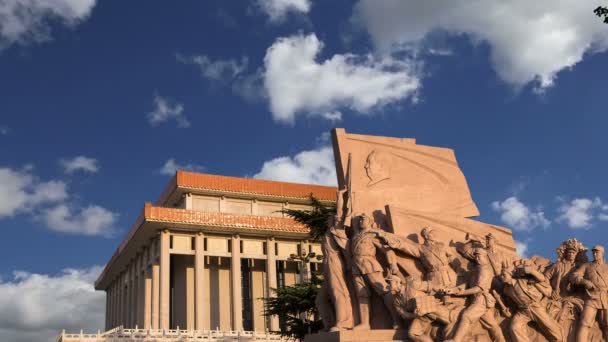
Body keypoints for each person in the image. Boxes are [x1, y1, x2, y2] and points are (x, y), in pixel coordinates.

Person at [442, 248, 505, 342]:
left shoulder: (485, 270)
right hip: (475, 299)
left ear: (485, 257)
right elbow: (467, 284)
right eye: (475, 256)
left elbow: (478, 288)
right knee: (492, 324)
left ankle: (456, 340)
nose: (477, 258)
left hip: (481, 299)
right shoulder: (476, 269)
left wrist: (461, 293)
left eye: (479, 256)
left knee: (466, 316)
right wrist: (453, 290)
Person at [350, 213, 400, 330]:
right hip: (356, 266)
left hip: (370, 264)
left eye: (364, 219)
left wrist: (393, 264)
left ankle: (397, 320)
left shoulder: (373, 234)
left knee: (384, 291)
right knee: (362, 295)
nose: (361, 221)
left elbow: (387, 250)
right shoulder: (356, 236)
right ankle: (364, 323)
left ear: (370, 221)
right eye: (360, 220)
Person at [500, 259, 563, 342]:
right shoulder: (506, 290)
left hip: (534, 307)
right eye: (501, 275)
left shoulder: (523, 281)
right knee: (515, 327)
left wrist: (531, 271)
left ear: (510, 274)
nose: (501, 277)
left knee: (551, 328)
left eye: (504, 274)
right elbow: (511, 303)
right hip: (523, 311)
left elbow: (541, 278)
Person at [379, 227, 457, 288]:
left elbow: (451, 257)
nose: (434, 234)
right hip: (435, 275)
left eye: (433, 232)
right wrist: (393, 242)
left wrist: (448, 266)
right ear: (426, 236)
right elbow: (406, 247)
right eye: (431, 233)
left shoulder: (441, 245)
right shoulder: (420, 248)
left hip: (449, 274)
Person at [571, 245, 608, 342]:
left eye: (597, 252)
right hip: (591, 297)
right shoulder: (587, 266)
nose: (595, 254)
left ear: (602, 253)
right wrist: (585, 282)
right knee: (584, 323)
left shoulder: (607, 267)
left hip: (605, 298)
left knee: (607, 324)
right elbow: (574, 276)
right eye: (594, 252)